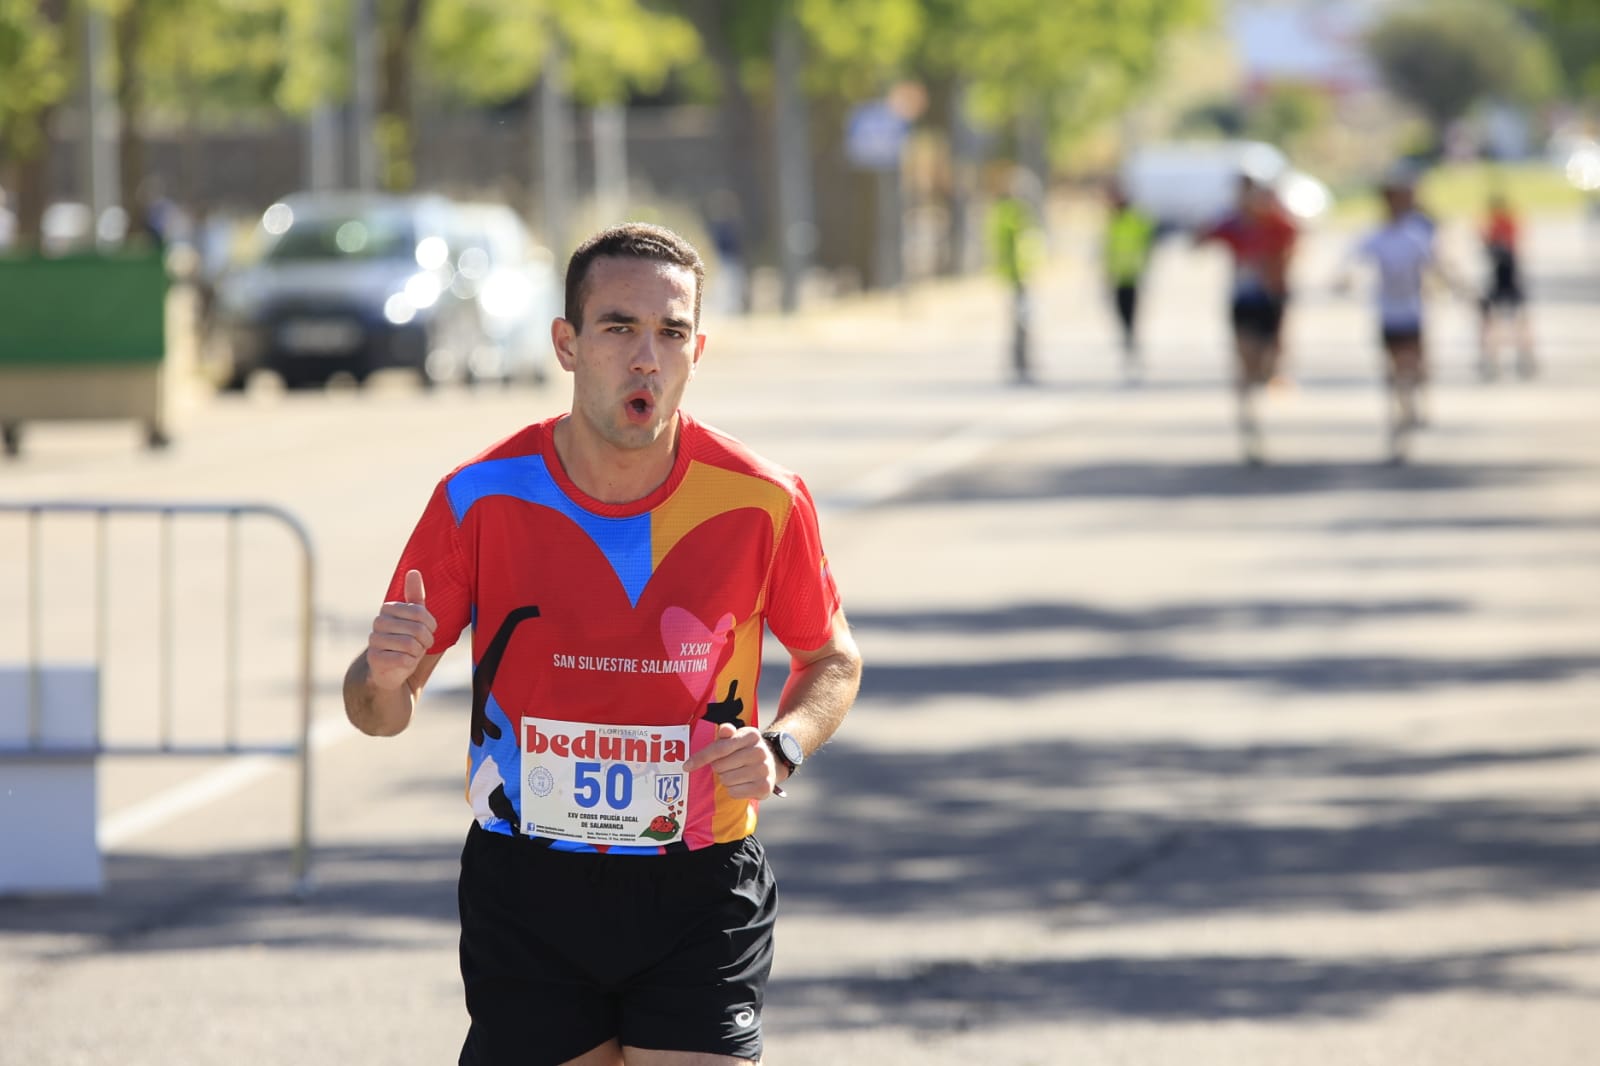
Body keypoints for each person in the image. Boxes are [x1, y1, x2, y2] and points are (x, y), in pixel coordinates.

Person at [344, 221, 863, 1066]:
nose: (646, 358)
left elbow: (832, 658)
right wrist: (381, 676)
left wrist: (784, 745)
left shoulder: (764, 500)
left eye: (672, 333)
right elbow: (377, 711)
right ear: (567, 343)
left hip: (700, 878)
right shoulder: (480, 497)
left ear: (698, 350)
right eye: (619, 328)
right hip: (528, 881)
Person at [1334, 175, 1464, 464]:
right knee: (1394, 373)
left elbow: (1437, 265)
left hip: (1412, 311)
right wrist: (1344, 280)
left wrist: (1457, 288)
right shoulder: (1378, 236)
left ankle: (1410, 412)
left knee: (1412, 367)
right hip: (1388, 313)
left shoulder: (1415, 235)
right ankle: (1400, 424)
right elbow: (1351, 261)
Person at [1195, 175, 1298, 465]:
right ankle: (1249, 425)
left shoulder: (1277, 222)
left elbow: (1294, 243)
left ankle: (1266, 381)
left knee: (1268, 364)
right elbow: (1199, 239)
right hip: (1243, 301)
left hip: (1271, 299)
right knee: (1244, 365)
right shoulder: (1233, 225)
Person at [988, 165, 1044, 383]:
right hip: (1018, 276)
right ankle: (1020, 364)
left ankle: (1022, 362)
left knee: (1022, 321)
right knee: (1022, 322)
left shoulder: (1011, 212)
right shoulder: (1014, 213)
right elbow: (1018, 244)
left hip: (1021, 274)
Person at [1101, 181, 1158, 380]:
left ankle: (1133, 350)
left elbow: (1149, 238)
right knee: (1121, 316)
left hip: (1133, 275)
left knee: (1131, 316)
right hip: (1118, 276)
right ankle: (1129, 348)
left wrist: (1145, 265)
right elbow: (1109, 249)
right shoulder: (1113, 220)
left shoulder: (1135, 218)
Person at [1477, 192, 1537, 380]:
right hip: (1507, 278)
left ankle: (1509, 356)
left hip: (1504, 278)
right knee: (1512, 320)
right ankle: (1515, 356)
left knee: (1499, 320)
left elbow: (1492, 247)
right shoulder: (1506, 222)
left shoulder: (1499, 224)